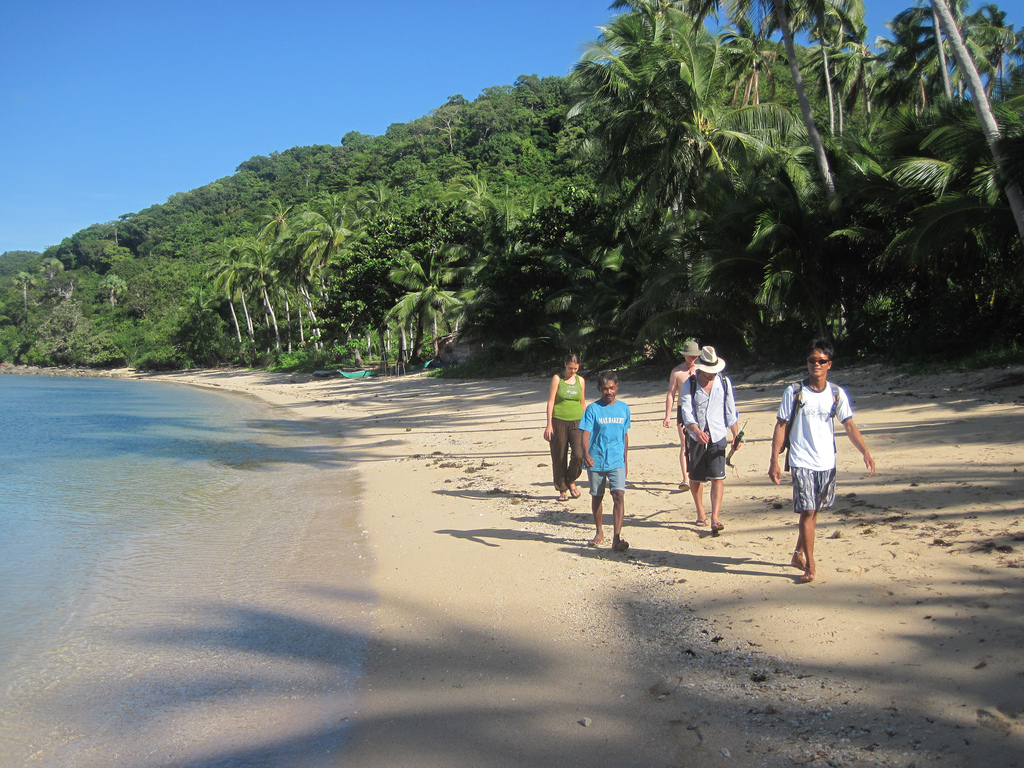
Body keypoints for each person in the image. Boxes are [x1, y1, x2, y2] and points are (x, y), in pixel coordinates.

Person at [768, 339, 875, 583]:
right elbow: (781, 425)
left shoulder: (836, 393)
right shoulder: (794, 391)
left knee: (813, 512)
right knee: (807, 511)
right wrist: (774, 460)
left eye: (821, 361)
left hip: (827, 461)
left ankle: (797, 554)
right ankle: (811, 565)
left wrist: (865, 452)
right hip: (801, 459)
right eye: (812, 360)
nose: (816, 364)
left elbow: (848, 424)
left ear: (829, 364)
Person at [679, 346, 739, 533]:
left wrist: (736, 435)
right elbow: (686, 411)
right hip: (696, 436)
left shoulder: (724, 383)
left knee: (717, 476)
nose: (712, 375)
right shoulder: (691, 384)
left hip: (718, 434)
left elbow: (731, 411)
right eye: (709, 372)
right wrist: (696, 430)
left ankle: (715, 517)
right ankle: (700, 512)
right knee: (696, 477)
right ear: (701, 368)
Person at [580, 371, 631, 551]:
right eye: (604, 389)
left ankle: (617, 538)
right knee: (597, 496)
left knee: (618, 495)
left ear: (616, 387)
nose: (608, 392)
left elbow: (625, 435)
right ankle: (599, 531)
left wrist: (625, 460)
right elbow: (585, 433)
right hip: (596, 459)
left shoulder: (624, 408)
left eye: (611, 388)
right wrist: (586, 454)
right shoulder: (593, 409)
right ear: (599, 390)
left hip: (616, 460)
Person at [543, 353, 586, 501]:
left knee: (579, 454)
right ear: (565, 365)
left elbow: (582, 403)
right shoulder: (557, 379)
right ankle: (562, 488)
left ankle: (571, 479)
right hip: (559, 420)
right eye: (570, 368)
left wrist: (587, 423)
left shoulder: (580, 381)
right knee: (559, 455)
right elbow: (551, 402)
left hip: (577, 421)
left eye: (575, 368)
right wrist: (549, 425)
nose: (573, 371)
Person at [662, 340, 701, 488]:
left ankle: (699, 474)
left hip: (699, 410)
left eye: (695, 356)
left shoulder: (701, 370)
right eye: (690, 356)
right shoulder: (677, 372)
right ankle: (686, 478)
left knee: (701, 441)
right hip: (682, 410)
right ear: (685, 355)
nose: (693, 358)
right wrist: (667, 415)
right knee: (685, 444)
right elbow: (671, 393)